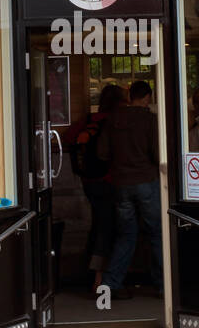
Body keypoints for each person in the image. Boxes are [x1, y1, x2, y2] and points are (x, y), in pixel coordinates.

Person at [99, 80, 163, 301]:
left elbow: (102, 153)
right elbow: (157, 154)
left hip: (121, 183)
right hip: (146, 180)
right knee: (157, 234)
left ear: (130, 96)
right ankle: (164, 286)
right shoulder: (149, 119)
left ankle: (110, 284)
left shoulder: (113, 119)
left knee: (126, 235)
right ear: (147, 97)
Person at [66, 84, 125, 293]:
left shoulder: (89, 120)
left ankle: (88, 271)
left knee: (98, 225)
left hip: (88, 181)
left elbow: (68, 137)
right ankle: (99, 279)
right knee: (106, 228)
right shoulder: (115, 122)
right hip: (109, 181)